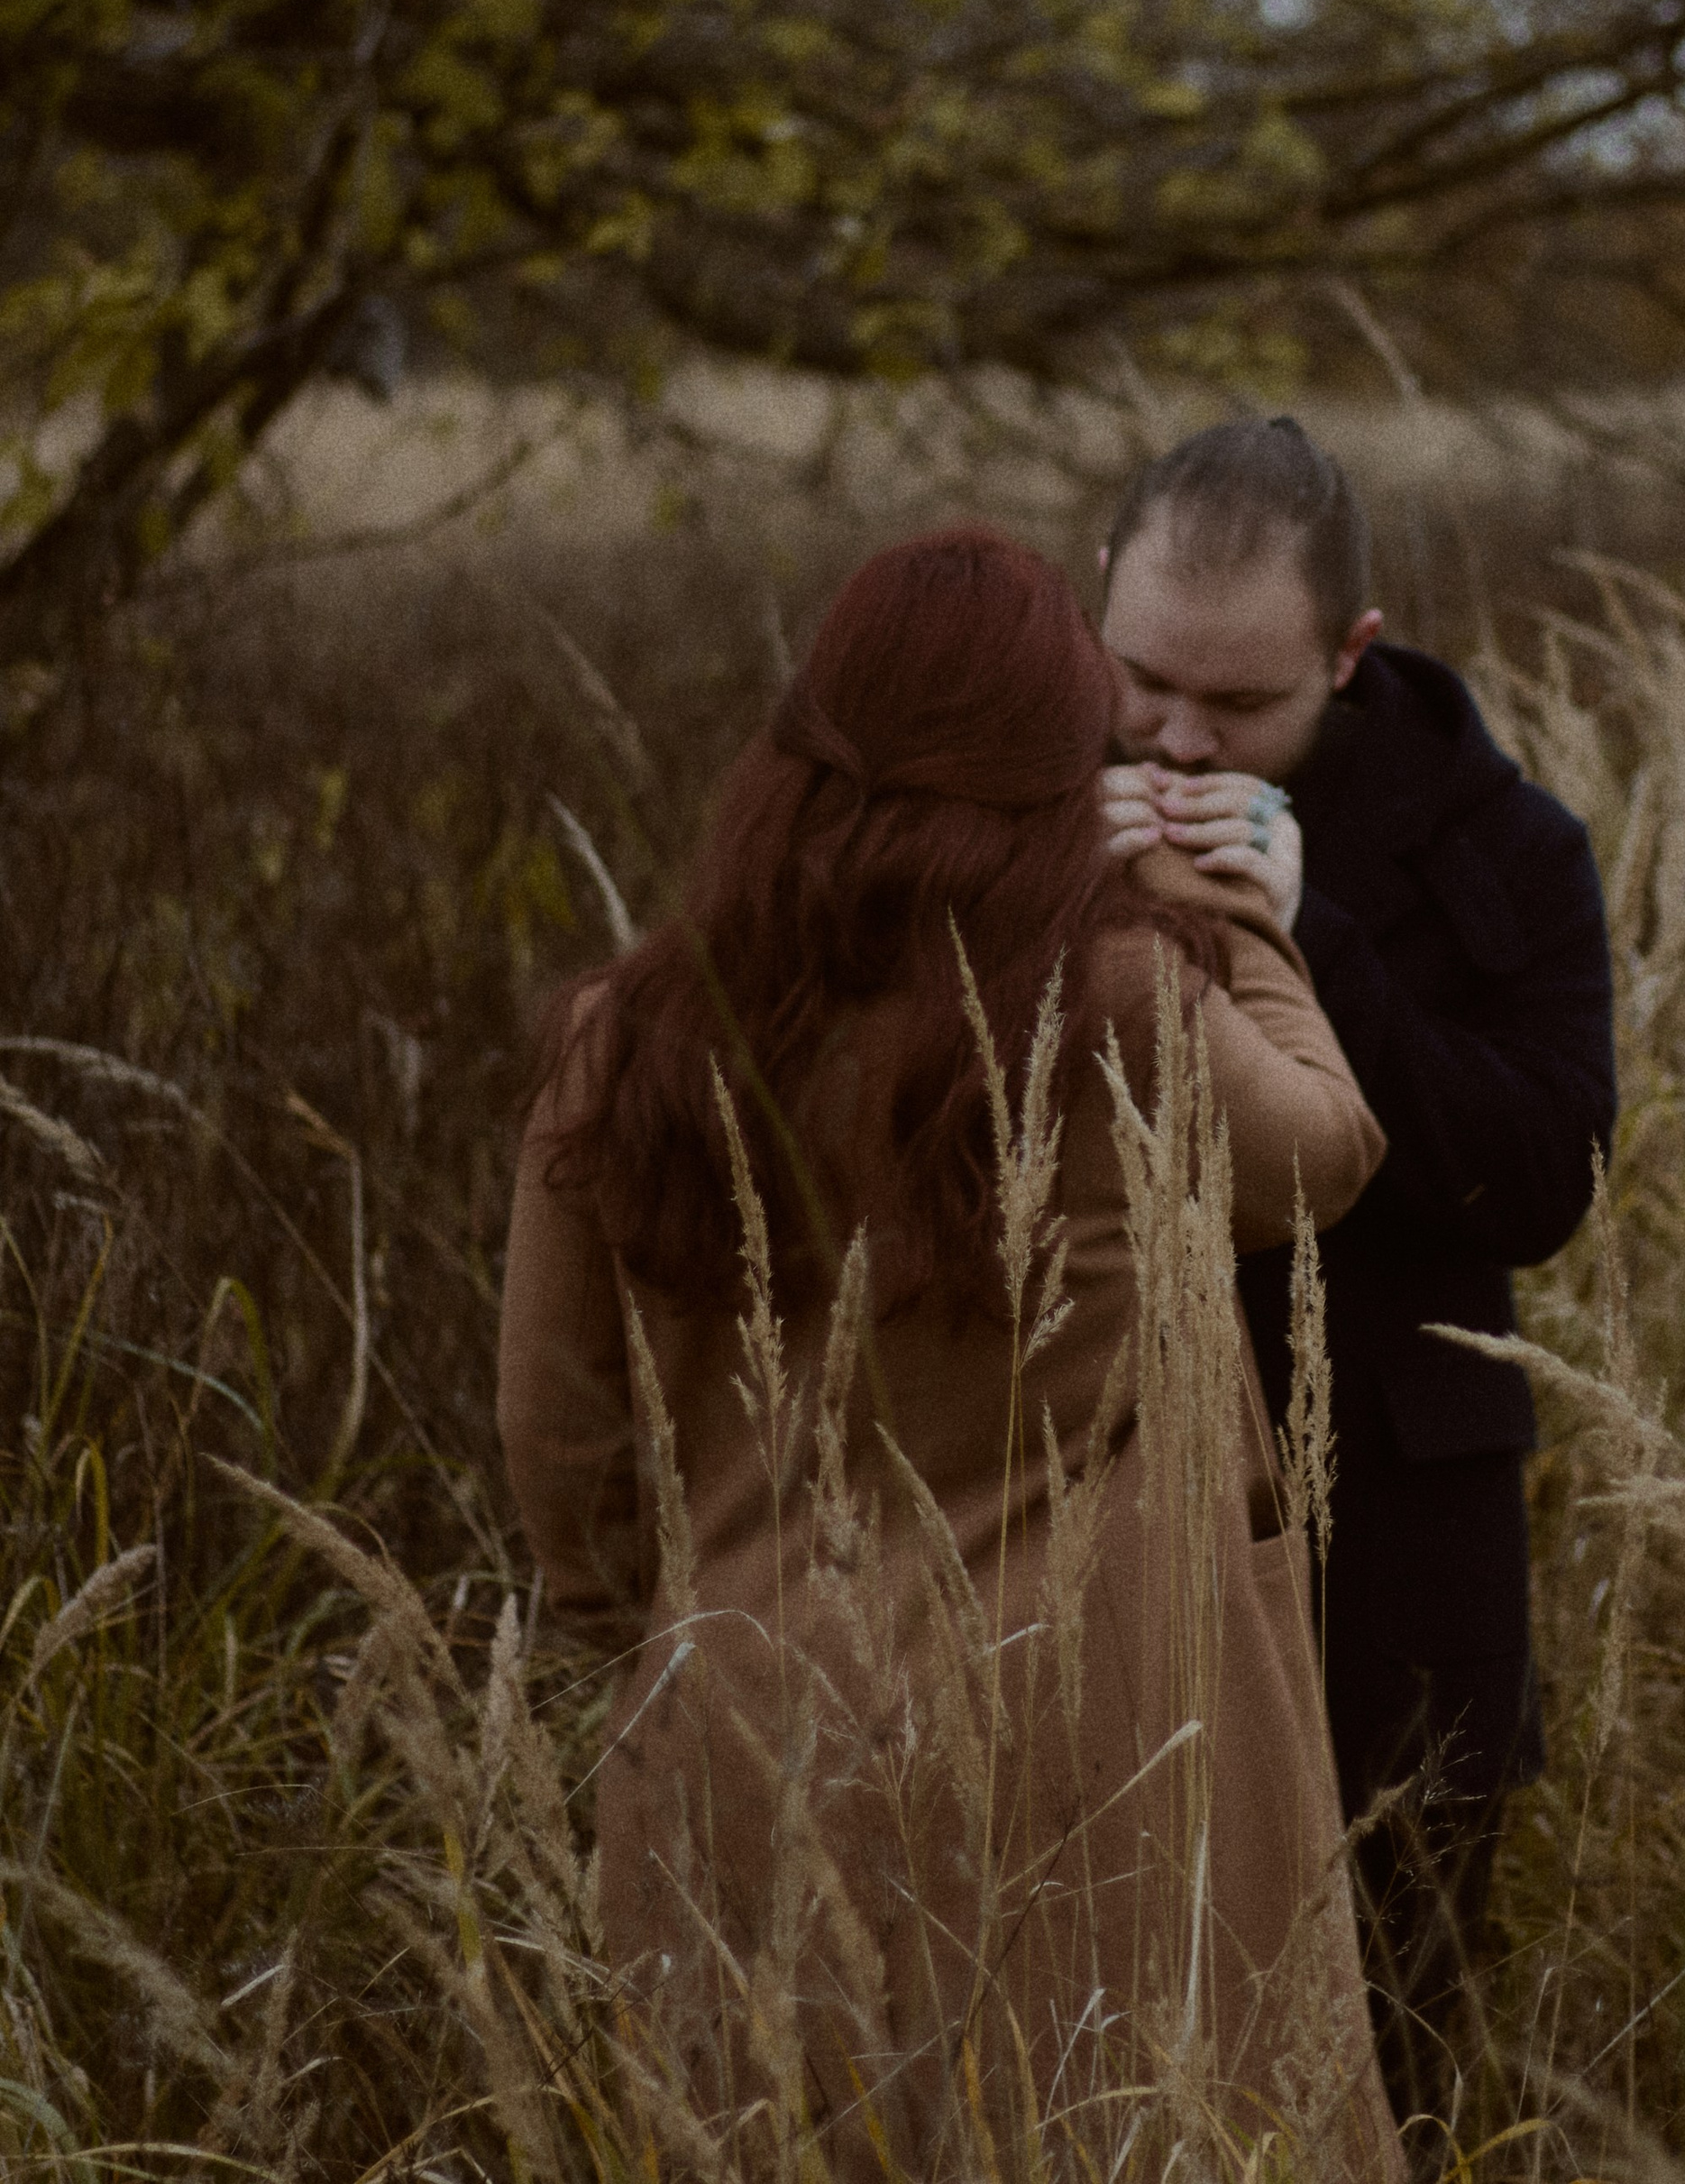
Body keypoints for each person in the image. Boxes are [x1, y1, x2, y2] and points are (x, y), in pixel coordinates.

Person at [498, 524, 1404, 2180]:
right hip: (1090, 1743)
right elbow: (1327, 1151)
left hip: (746, 1732)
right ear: (1062, 781)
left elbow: (563, 1456)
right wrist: (1233, 912)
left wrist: (658, 1642)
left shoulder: (626, 1038)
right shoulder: (1122, 998)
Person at [1100, 421, 1616, 2152]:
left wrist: (1319, 945)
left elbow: (1546, 1182)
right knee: (1106, 2005)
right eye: (1143, 680)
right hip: (1093, 1486)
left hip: (1392, 1519)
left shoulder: (1510, 850)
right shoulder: (1015, 801)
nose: (1178, 738)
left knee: (1393, 2033)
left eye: (1236, 707)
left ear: (1352, 656)